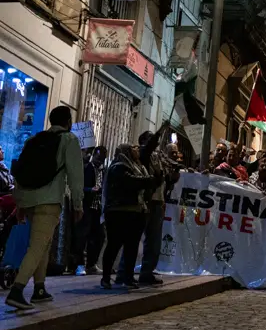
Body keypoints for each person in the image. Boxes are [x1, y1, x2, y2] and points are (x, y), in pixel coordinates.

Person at [6, 106, 84, 309]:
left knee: (44, 244)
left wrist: (20, 203)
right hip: (49, 201)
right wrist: (78, 204)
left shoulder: (34, 140)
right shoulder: (69, 139)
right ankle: (17, 289)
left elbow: (21, 173)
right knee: (38, 246)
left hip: (30, 200)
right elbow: (76, 176)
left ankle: (39, 289)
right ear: (68, 121)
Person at [101, 143, 159, 290]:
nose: (137, 149)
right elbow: (130, 182)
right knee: (114, 245)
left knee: (131, 246)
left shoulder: (139, 166)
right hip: (118, 211)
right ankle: (106, 277)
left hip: (135, 211)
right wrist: (150, 180)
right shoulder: (118, 166)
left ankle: (128, 277)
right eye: (133, 148)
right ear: (126, 151)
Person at [127, 125, 177, 286]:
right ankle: (125, 273)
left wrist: (172, 175)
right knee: (133, 239)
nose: (154, 143)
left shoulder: (159, 158)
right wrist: (160, 131)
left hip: (158, 201)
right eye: (150, 139)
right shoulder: (143, 154)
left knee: (154, 241)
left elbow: (166, 179)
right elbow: (149, 148)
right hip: (145, 201)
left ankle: (146, 272)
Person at [72, 146, 107, 276]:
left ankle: (91, 263)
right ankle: (79, 264)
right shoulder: (87, 168)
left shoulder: (103, 170)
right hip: (87, 206)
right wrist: (89, 190)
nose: (100, 160)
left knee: (99, 236)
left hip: (98, 207)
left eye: (103, 158)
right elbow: (79, 186)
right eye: (98, 157)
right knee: (82, 236)